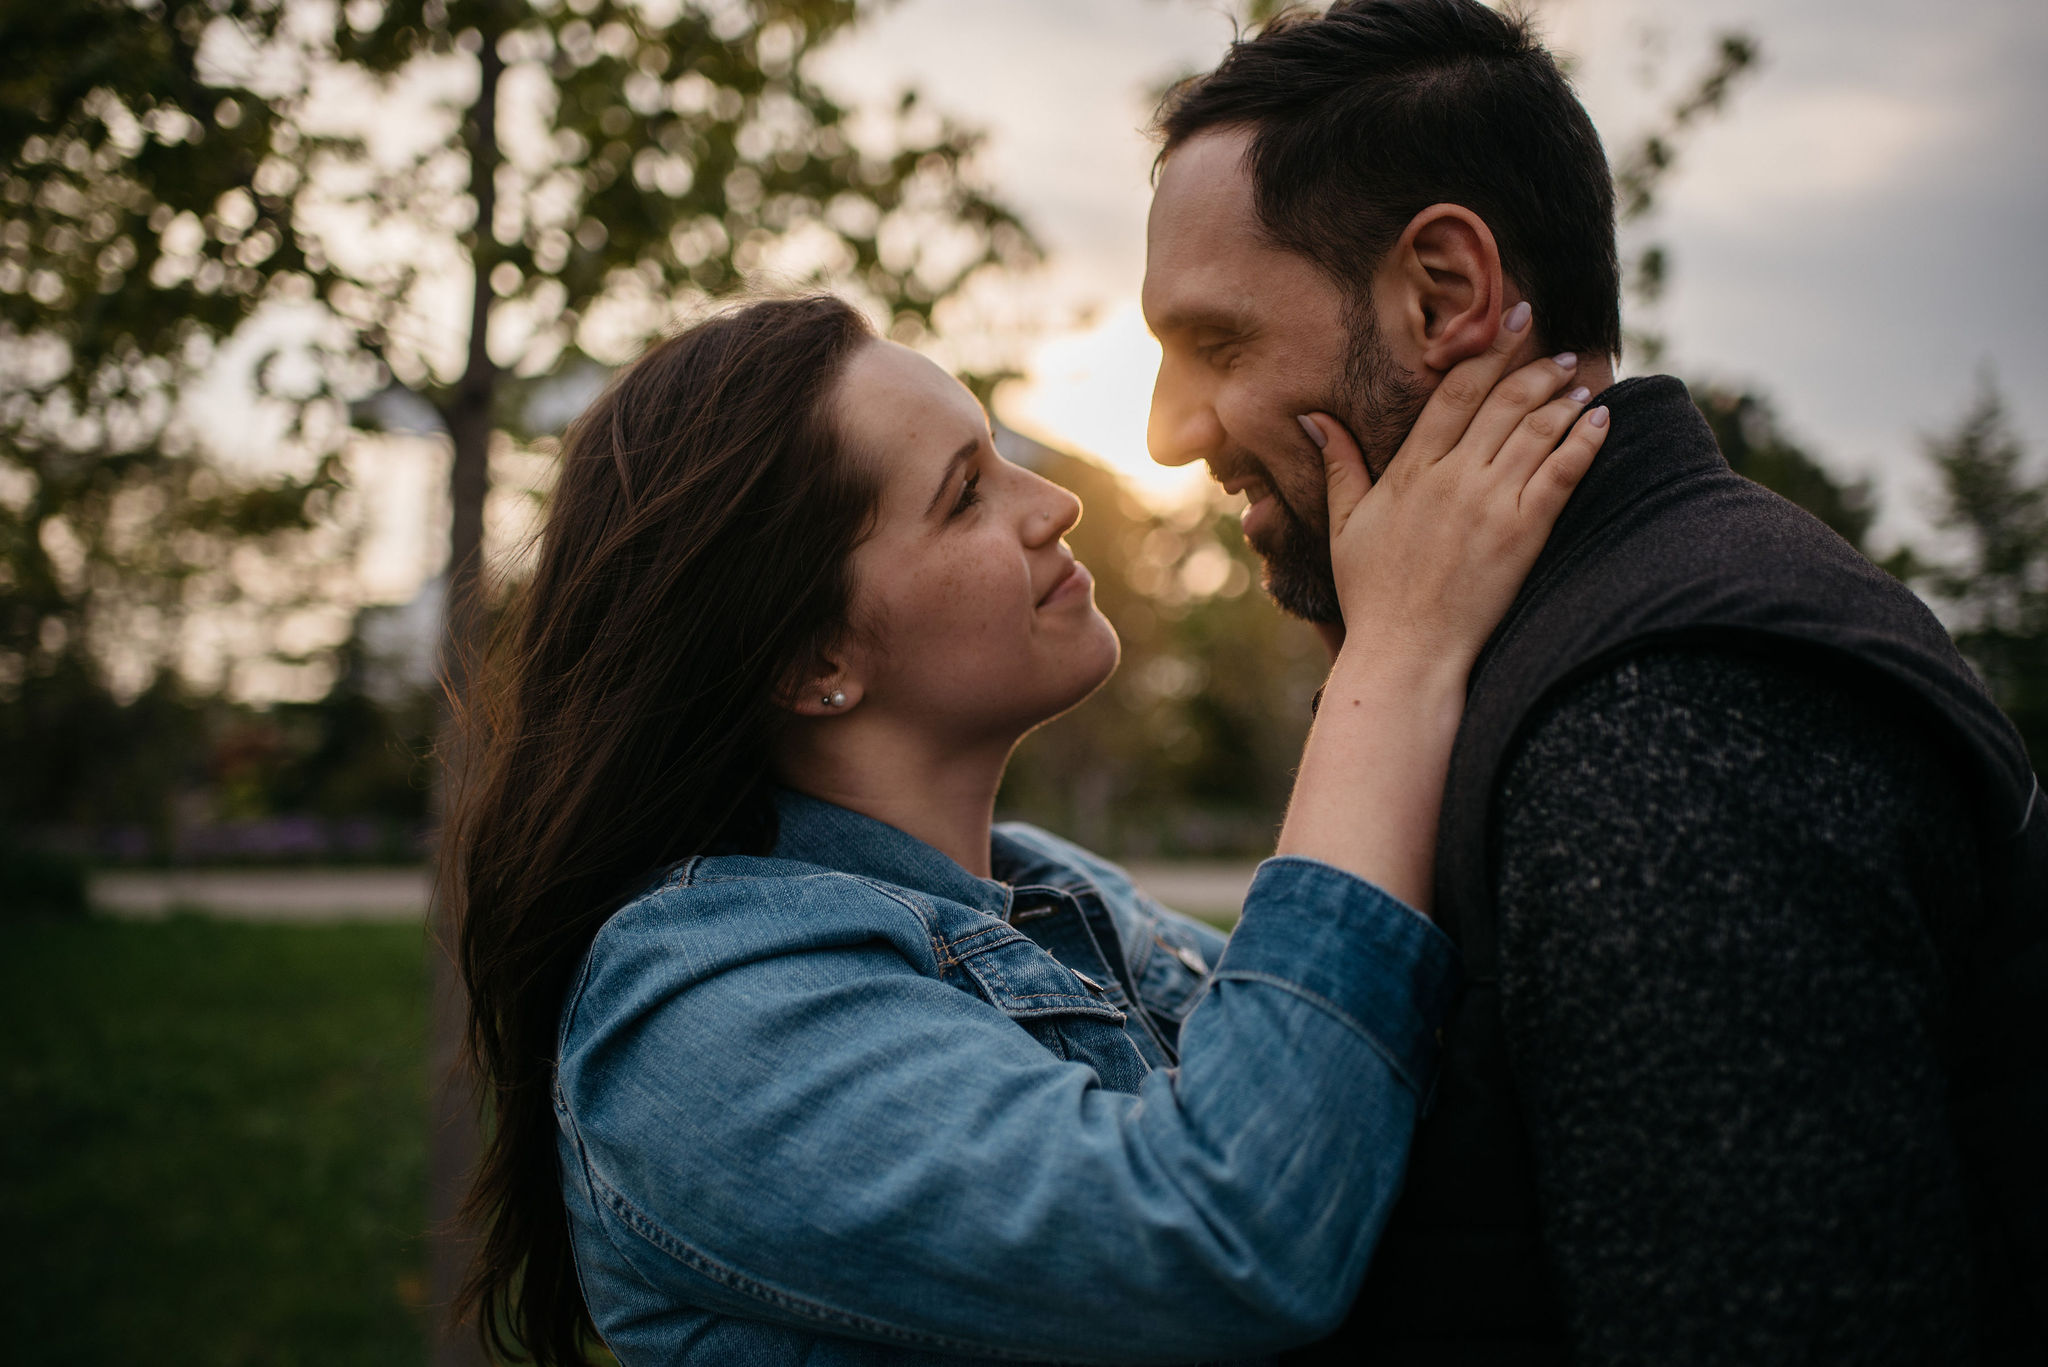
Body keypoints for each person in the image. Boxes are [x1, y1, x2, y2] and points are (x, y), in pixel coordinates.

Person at [444, 291, 1610, 1365]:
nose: (1053, 505)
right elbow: (1226, 1233)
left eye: (1001, 455)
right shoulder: (698, 1013)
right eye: (964, 493)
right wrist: (1395, 649)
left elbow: (1344, 1097)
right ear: (814, 659)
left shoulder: (1053, 897)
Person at [1142, 2, 2048, 1364]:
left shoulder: (1675, 709)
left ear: (1442, 292)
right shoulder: (1529, 658)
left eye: (1216, 344)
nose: (1165, 434)